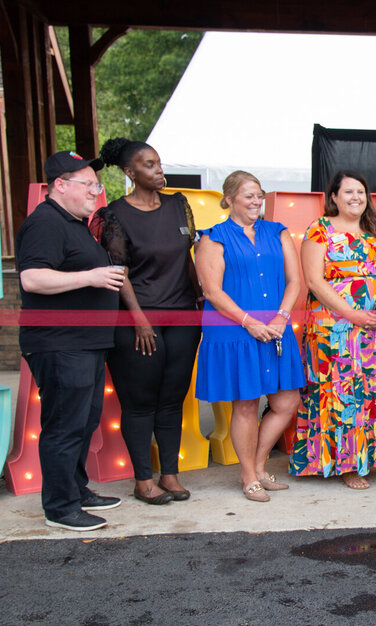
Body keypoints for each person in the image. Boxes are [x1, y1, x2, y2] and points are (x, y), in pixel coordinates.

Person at [290, 170, 376, 490]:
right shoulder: (319, 230)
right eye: (348, 192)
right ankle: (348, 464)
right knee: (344, 395)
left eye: (360, 192)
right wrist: (352, 314)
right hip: (336, 331)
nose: (355, 198)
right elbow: (314, 281)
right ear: (333, 197)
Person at [17, 151, 124, 532]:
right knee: (65, 425)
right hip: (60, 343)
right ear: (60, 185)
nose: (96, 192)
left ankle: (76, 490)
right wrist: (91, 278)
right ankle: (60, 508)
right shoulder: (45, 223)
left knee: (84, 421)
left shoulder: (76, 222)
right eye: (89, 185)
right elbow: (32, 279)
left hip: (86, 342)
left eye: (97, 185)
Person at [95, 137, 201, 505]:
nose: (159, 171)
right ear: (129, 172)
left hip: (183, 316)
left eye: (158, 163)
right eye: (149, 165)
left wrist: (200, 298)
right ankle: (143, 480)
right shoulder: (114, 214)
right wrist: (139, 320)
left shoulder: (178, 204)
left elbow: (186, 257)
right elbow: (119, 273)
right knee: (139, 403)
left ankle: (169, 475)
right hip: (138, 322)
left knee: (172, 399)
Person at [195, 170, 306, 502]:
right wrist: (248, 322)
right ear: (228, 200)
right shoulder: (212, 238)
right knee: (245, 404)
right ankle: (248, 476)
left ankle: (258, 465)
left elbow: (294, 281)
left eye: (259, 195)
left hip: (276, 329)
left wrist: (281, 317)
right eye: (249, 196)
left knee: (288, 401)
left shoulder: (279, 232)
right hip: (235, 331)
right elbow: (213, 291)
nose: (257, 201)